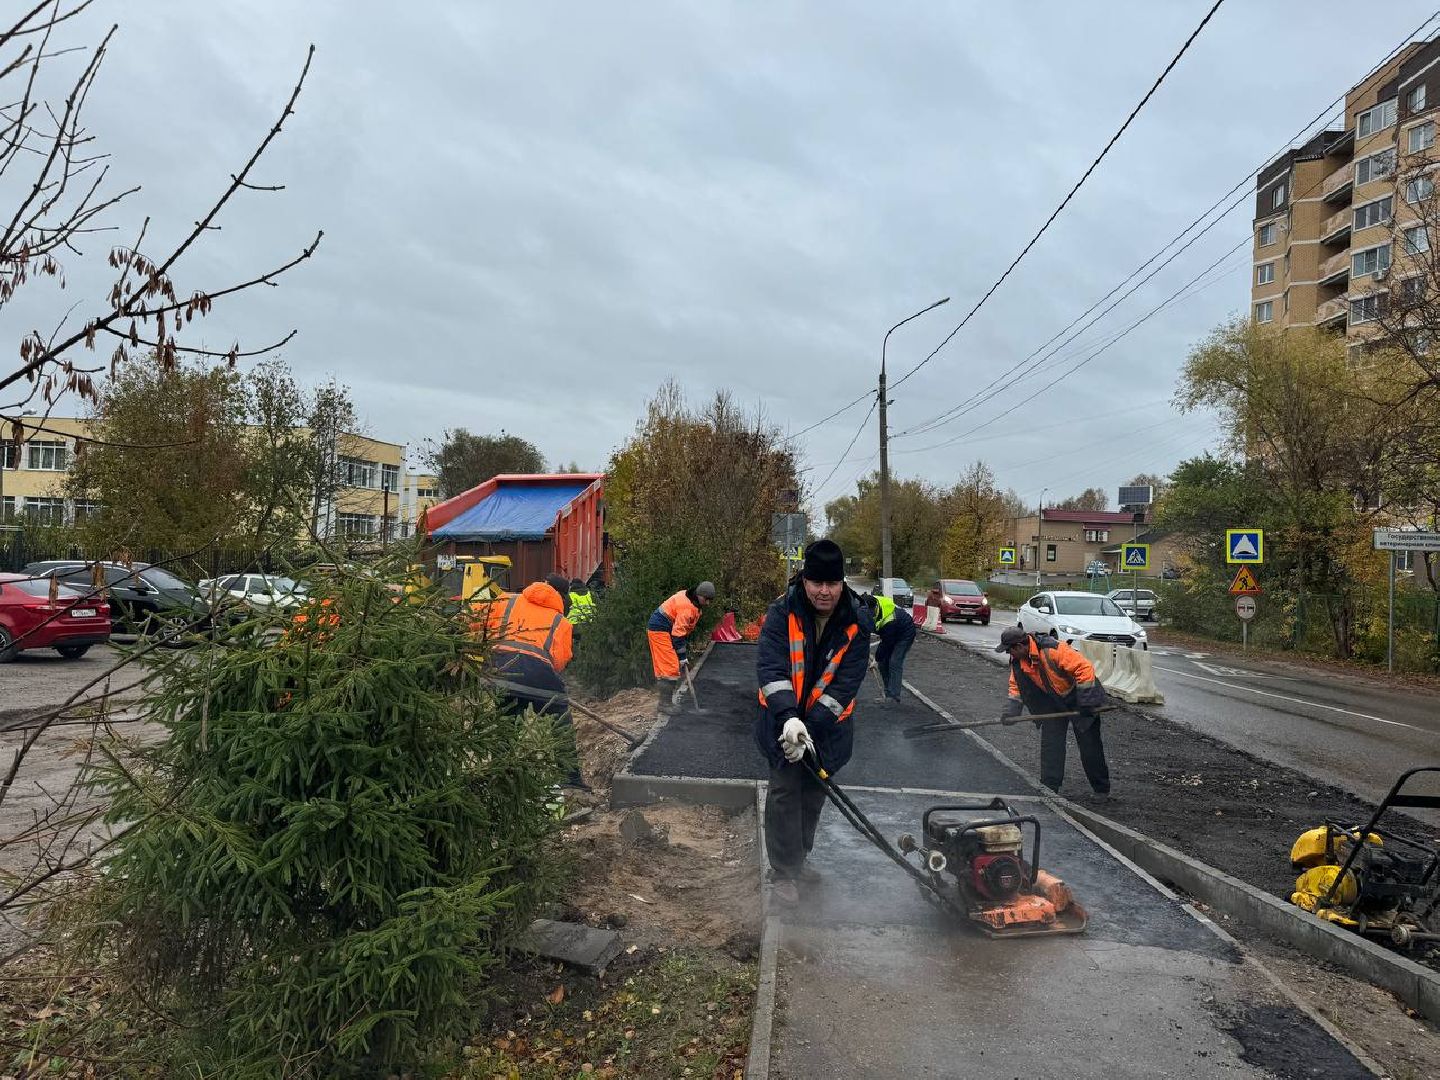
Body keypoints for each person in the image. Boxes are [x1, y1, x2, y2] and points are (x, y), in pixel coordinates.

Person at [755, 539, 872, 905]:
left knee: (813, 796)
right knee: (784, 794)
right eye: (817, 582)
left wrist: (810, 730)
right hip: (782, 724)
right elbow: (771, 669)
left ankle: (799, 859)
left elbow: (845, 684)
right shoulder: (782, 613)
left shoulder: (857, 620)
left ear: (842, 583)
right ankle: (784, 872)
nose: (824, 591)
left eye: (832, 583)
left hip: (827, 729)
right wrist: (789, 721)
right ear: (804, 580)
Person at [482, 578, 586, 789]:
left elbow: (478, 623)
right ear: (562, 598)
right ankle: (571, 780)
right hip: (538, 673)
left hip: (502, 671)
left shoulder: (506, 601)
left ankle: (500, 775)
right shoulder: (561, 622)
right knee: (560, 718)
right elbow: (560, 661)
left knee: (506, 721)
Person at [996, 625, 1110, 799]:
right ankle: (1049, 789)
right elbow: (1016, 687)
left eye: (1009, 650)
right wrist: (1011, 712)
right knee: (1051, 745)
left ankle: (1101, 790)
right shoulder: (1018, 661)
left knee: (1089, 745)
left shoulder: (1053, 649)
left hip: (1079, 697)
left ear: (1019, 646)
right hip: (1053, 701)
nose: (1008, 654)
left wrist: (1086, 702)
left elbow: (1084, 668)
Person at [647, 581, 716, 714]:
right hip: (659, 630)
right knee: (670, 667)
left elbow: (681, 631)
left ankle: (665, 702)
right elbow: (678, 634)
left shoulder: (693, 601)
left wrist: (681, 653)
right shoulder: (687, 607)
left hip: (667, 630)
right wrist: (682, 657)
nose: (707, 603)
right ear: (699, 594)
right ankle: (664, 704)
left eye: (710, 600)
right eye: (706, 599)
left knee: (670, 666)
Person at [866, 591, 917, 702]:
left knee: (894, 662)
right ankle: (888, 693)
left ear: (874, 609)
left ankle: (894, 696)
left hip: (905, 634)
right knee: (883, 664)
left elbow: (886, 643)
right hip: (890, 634)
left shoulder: (889, 619)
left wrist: (876, 659)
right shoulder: (866, 605)